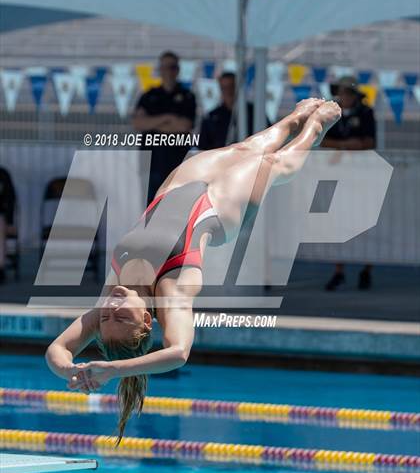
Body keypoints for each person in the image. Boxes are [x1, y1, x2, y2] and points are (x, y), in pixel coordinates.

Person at [45, 98, 341, 443]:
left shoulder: (108, 303)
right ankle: (316, 129)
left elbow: (56, 350)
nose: (110, 309)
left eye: (105, 320)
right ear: (145, 321)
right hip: (218, 206)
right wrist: (115, 371)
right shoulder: (171, 291)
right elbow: (178, 352)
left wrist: (72, 370)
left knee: (245, 146)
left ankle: (296, 117)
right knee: (271, 163)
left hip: (175, 190)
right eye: (120, 318)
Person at [321, 76, 377, 291]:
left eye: (348, 92)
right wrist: (346, 146)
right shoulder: (333, 115)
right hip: (339, 176)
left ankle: (367, 269)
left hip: (362, 178)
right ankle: (339, 270)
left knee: (366, 223)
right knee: (337, 223)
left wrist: (345, 148)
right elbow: (323, 140)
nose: (344, 96)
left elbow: (368, 142)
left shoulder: (365, 113)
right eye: (341, 92)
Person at [133, 51, 197, 203]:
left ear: (178, 70)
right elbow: (138, 123)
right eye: (165, 67)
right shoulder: (149, 95)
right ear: (160, 69)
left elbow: (184, 126)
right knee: (151, 211)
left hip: (177, 164)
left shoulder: (187, 96)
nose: (169, 71)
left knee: (177, 210)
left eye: (172, 67)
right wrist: (168, 118)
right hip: (152, 163)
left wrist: (153, 123)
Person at [199, 72, 262, 150]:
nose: (228, 92)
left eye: (231, 87)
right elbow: (203, 146)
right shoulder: (211, 117)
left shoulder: (254, 112)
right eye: (224, 88)